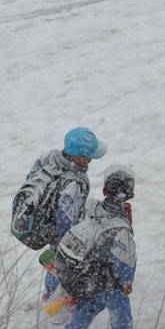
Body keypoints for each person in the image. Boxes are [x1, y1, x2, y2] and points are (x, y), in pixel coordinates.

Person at [53, 164, 139, 329]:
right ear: (130, 195)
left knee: (90, 305)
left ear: (104, 190)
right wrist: (126, 282)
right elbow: (124, 261)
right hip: (104, 275)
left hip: (85, 271)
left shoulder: (92, 208)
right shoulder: (119, 227)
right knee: (120, 308)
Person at [28, 127, 107, 302]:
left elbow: (31, 178)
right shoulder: (73, 185)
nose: (90, 160)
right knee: (62, 264)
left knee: (55, 260)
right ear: (79, 157)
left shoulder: (48, 157)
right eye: (89, 157)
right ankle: (58, 301)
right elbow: (67, 220)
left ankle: (49, 293)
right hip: (58, 231)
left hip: (43, 221)